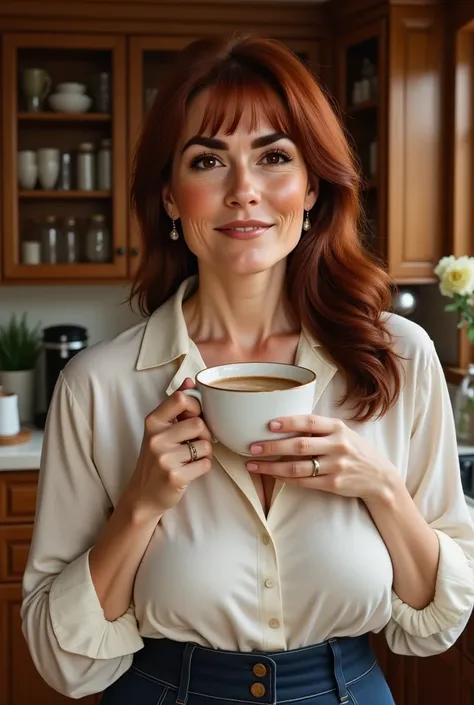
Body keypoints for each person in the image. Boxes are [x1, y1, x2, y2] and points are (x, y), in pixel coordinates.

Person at [22, 34, 474, 705]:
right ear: (172, 197)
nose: (244, 192)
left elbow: (436, 620)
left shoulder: (398, 358)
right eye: (209, 160)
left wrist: (381, 487)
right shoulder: (98, 383)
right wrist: (142, 503)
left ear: (312, 187)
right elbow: (61, 658)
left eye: (274, 158)